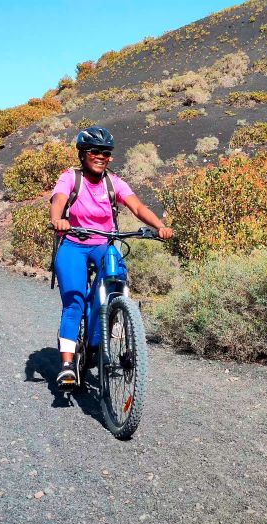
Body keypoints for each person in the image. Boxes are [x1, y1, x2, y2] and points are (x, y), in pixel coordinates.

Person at [50, 126, 173, 386]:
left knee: (116, 276)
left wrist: (158, 226)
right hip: (74, 243)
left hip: (104, 243)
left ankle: (113, 317)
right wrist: (57, 220)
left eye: (105, 153)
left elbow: (137, 206)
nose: (100, 156)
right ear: (83, 154)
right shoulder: (71, 178)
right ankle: (68, 364)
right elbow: (59, 199)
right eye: (95, 151)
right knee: (74, 302)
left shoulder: (113, 182)